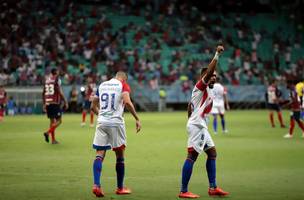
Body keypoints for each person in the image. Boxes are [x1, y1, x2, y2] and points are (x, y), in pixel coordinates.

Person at [178, 45, 229, 198]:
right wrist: (217, 55)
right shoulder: (201, 86)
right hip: (198, 126)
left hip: (200, 126)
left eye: (215, 76)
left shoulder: (209, 90)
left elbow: (189, 106)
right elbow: (209, 71)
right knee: (192, 156)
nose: (214, 77)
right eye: (211, 75)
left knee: (212, 153)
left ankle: (213, 188)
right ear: (205, 76)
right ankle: (183, 190)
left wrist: (191, 120)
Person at [91, 71, 141, 197]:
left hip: (102, 122)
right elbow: (128, 102)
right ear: (124, 79)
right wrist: (137, 118)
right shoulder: (122, 85)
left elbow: (93, 106)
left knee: (99, 154)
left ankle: (96, 185)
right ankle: (120, 188)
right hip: (116, 123)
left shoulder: (102, 85)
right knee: (120, 155)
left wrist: (102, 116)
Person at [42, 68, 68, 144]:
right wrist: (65, 101)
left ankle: (53, 140)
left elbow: (43, 92)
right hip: (55, 103)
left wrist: (44, 103)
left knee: (52, 121)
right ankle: (47, 132)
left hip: (48, 103)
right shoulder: (57, 79)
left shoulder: (47, 80)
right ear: (56, 73)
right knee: (59, 121)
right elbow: (59, 91)